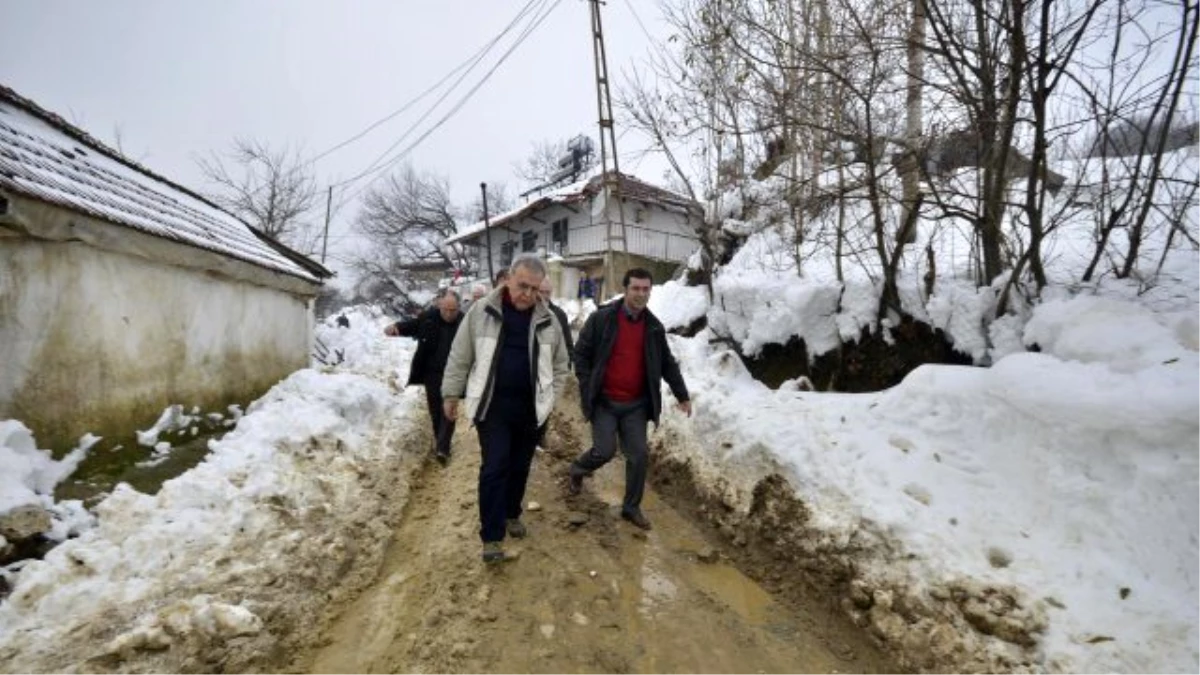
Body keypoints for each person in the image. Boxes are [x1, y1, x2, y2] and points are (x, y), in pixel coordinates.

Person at [442, 254, 570, 563]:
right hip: (493, 406)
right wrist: (451, 394)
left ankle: (512, 513)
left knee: (520, 466)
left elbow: (561, 366)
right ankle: (492, 537)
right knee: (495, 466)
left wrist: (550, 398)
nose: (526, 293)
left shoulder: (548, 320)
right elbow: (461, 356)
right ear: (509, 279)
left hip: (530, 409)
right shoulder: (481, 311)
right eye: (522, 285)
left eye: (534, 288)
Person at [567, 268, 691, 531]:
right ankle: (578, 468)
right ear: (626, 289)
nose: (641, 294)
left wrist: (682, 395)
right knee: (605, 450)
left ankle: (631, 507)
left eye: (646, 289)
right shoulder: (602, 319)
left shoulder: (654, 327)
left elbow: (667, 363)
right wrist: (588, 383)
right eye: (636, 288)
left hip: (635, 404)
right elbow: (581, 353)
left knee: (639, 455)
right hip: (605, 402)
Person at [384, 289, 463, 464]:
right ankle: (440, 441)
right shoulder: (429, 318)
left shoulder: (464, 322)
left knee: (449, 407)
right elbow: (412, 325)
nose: (449, 314)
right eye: (446, 310)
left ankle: (443, 447)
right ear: (440, 306)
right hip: (431, 372)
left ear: (458, 308)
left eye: (453, 310)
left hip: (454, 373)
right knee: (436, 409)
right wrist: (396, 327)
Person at [538, 277, 574, 363]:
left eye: (547, 292)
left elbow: (568, 344)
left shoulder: (559, 314)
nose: (544, 296)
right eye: (541, 292)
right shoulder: (527, 312)